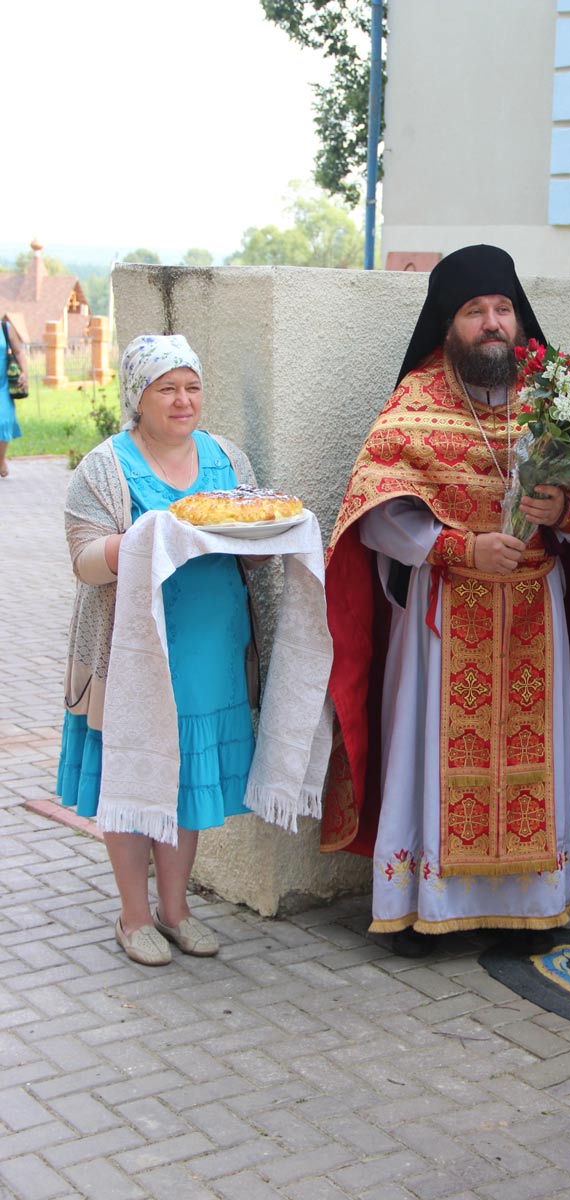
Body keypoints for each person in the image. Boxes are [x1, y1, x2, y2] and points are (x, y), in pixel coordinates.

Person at [321, 244, 570, 956]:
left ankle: (527, 906)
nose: (492, 324)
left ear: (519, 317)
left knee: (535, 760)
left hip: (536, 613)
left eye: (503, 308)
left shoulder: (558, 399)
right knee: (429, 757)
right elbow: (374, 517)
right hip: (443, 618)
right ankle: (422, 907)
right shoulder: (415, 404)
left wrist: (565, 512)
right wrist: (458, 547)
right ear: (448, 325)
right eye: (474, 311)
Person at [57, 334, 260, 966]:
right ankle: (133, 916)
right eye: (166, 389)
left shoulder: (226, 456)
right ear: (136, 397)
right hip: (132, 652)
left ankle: (176, 911)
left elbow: (254, 537)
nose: (182, 401)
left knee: (186, 780)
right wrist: (151, 536)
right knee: (132, 775)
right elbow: (84, 561)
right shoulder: (105, 467)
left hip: (210, 650)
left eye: (192, 387)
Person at [0, 316, 27, 477]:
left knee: (4, 420)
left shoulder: (5, 328)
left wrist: (24, 373)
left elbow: (18, 352)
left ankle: (0, 459)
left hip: (3, 385)